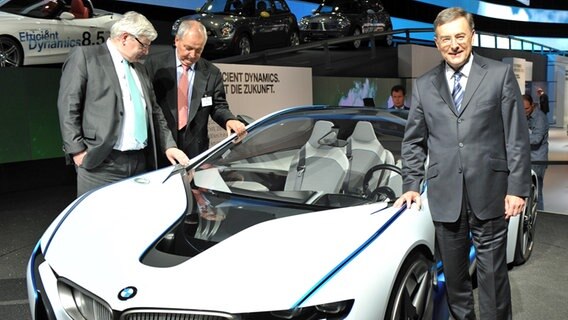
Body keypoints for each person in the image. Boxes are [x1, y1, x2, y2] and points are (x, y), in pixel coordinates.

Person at [393, 7, 531, 320]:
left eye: (459, 36)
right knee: (454, 280)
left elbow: (516, 137)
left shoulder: (498, 75)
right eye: (446, 39)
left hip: (492, 191)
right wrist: (411, 184)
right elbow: (414, 140)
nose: (453, 45)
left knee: (493, 278)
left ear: (471, 35)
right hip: (445, 195)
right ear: (436, 42)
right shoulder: (425, 84)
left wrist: (517, 188)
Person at [57, 11, 189, 197]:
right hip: (100, 163)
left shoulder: (141, 69)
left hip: (139, 162)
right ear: (125, 37)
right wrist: (77, 151)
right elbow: (68, 105)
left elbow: (155, 112)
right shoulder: (87, 57)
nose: (147, 51)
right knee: (98, 221)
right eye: (144, 44)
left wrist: (169, 145)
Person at [144, 20, 246, 166]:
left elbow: (218, 106)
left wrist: (229, 120)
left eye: (199, 50)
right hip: (161, 149)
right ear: (177, 40)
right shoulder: (154, 66)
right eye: (188, 48)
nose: (192, 55)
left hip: (195, 152)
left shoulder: (212, 72)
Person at [523, 93, 549, 211]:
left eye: (527, 108)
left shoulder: (540, 118)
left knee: (537, 192)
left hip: (537, 160)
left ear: (532, 105)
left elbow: (536, 139)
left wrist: (518, 137)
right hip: (528, 159)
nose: (524, 111)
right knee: (526, 191)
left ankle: (540, 219)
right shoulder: (526, 116)